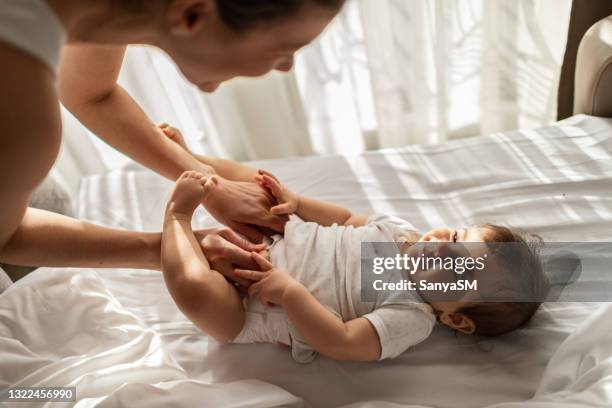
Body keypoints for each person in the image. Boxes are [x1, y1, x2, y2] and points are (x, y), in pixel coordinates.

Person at [0, 0, 345, 279]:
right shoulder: (20, 117)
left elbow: (90, 92)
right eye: (285, 49)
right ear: (192, 14)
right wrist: (176, 246)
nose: (286, 67)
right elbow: (6, 237)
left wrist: (212, 184)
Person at [159, 127, 549, 363]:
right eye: (458, 237)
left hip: (249, 308)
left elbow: (343, 343)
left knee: (196, 292)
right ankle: (189, 159)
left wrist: (291, 293)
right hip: (270, 237)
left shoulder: (410, 317)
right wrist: (298, 203)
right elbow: (345, 220)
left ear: (456, 318)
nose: (443, 247)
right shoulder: (398, 231)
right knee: (263, 191)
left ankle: (177, 216)